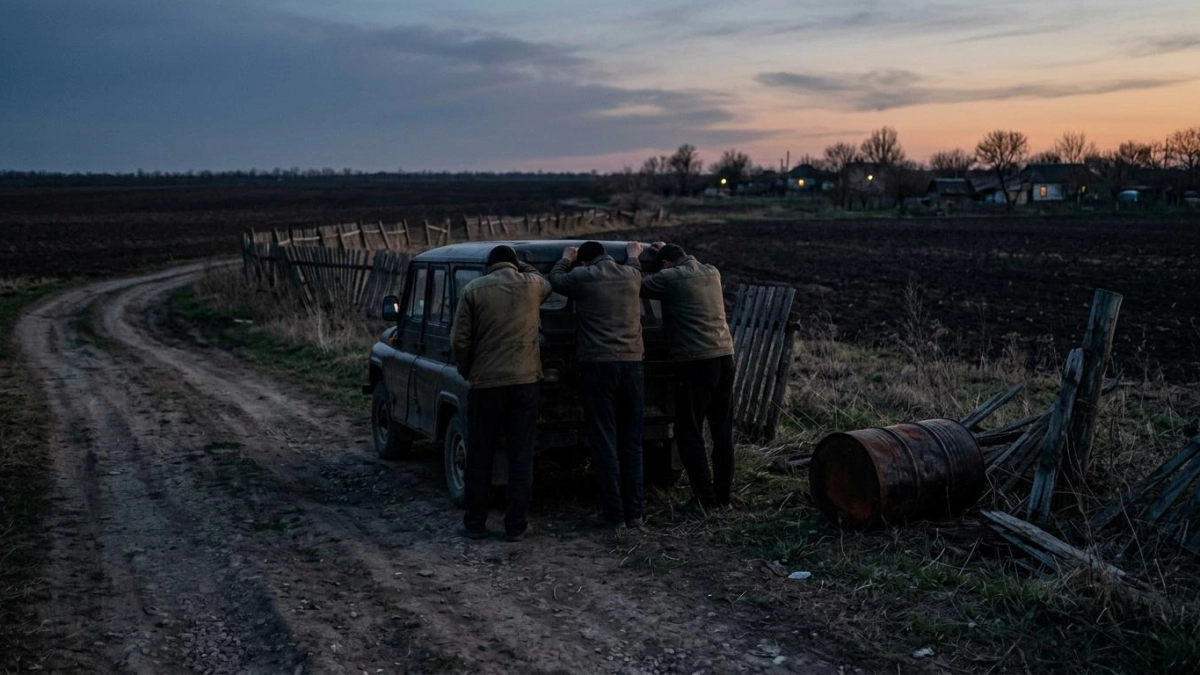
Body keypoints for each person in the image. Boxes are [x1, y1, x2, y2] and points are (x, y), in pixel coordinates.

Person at [451, 244, 552, 541]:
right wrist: (527, 267)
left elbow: (459, 341)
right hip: (525, 383)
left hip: (486, 384)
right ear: (515, 264)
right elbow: (547, 283)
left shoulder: (473, 290)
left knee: (480, 455)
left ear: (489, 265)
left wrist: (468, 370)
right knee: (521, 455)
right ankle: (516, 525)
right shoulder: (532, 285)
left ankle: (475, 524)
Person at [550, 240, 646, 529]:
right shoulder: (631, 275)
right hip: (633, 365)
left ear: (585, 261)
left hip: (599, 365)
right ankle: (635, 514)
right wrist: (633, 254)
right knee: (632, 442)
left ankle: (612, 514)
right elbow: (635, 265)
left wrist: (565, 259)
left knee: (605, 441)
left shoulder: (583, 276)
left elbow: (555, 281)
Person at [640, 242, 735, 517]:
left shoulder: (669, 277)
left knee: (688, 431)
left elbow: (634, 286)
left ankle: (703, 499)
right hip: (725, 356)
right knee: (721, 431)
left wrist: (636, 260)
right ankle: (722, 497)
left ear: (666, 264)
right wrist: (665, 251)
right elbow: (687, 265)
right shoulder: (711, 271)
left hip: (696, 362)